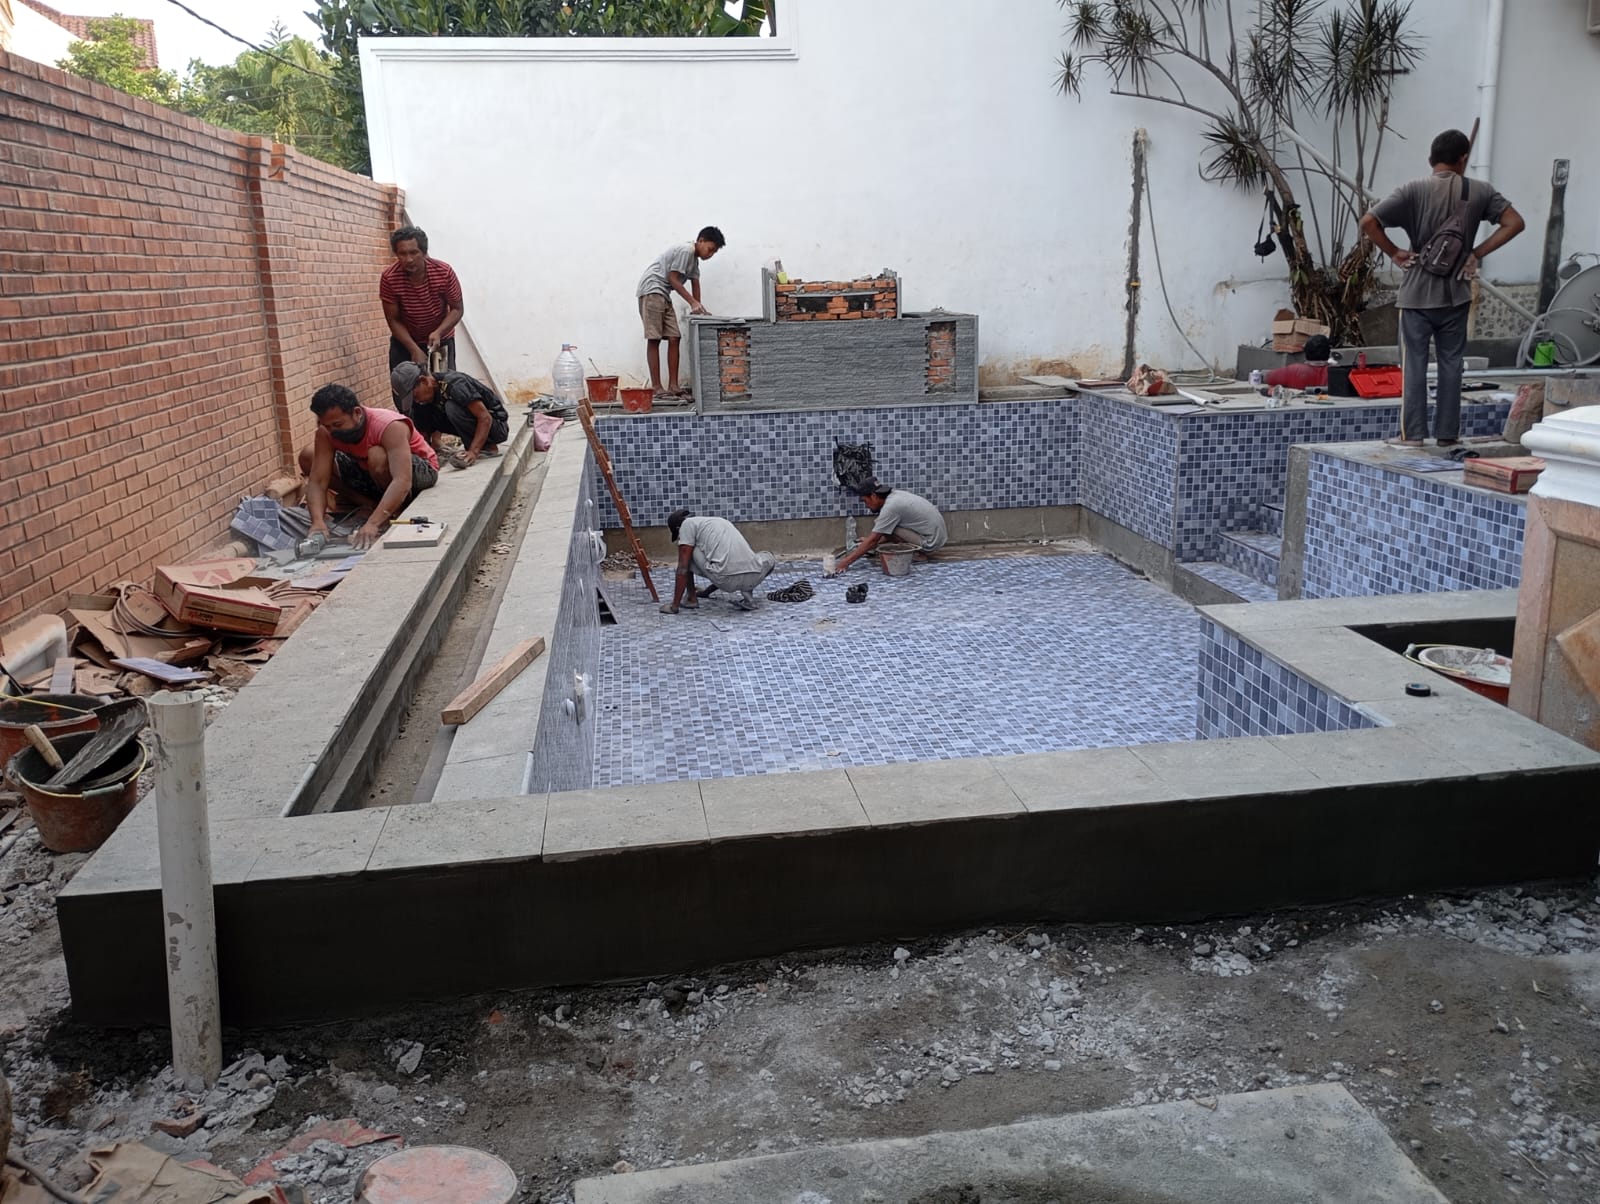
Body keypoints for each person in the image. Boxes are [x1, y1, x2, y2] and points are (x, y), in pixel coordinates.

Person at [1360, 129, 1525, 447]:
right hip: (1456, 295)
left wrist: (1394, 252)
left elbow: (1368, 222)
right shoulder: (1480, 191)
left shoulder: (1412, 189)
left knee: (1414, 365)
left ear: (1430, 159)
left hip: (1416, 296)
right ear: (1463, 159)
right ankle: (1448, 435)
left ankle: (1412, 436)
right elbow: (1515, 223)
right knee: (1452, 366)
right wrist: (1476, 254)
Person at [299, 385, 439, 550]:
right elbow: (318, 481)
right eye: (326, 426)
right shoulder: (326, 432)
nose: (332, 431)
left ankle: (396, 510)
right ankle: (368, 504)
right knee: (309, 455)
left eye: (337, 424)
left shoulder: (389, 425)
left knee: (376, 454)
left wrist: (373, 524)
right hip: (371, 470)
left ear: (357, 413)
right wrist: (317, 523)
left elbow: (402, 480)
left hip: (419, 471)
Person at [637, 226, 725, 398]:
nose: (710, 254)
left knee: (674, 337)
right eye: (710, 249)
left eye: (714, 252)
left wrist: (699, 309)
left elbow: (695, 283)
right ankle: (656, 387)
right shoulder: (686, 251)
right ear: (700, 241)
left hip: (663, 293)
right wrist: (692, 302)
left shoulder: (694, 261)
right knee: (654, 338)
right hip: (652, 290)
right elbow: (672, 278)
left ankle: (673, 386)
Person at [391, 362, 509, 468]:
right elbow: (423, 432)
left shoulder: (455, 384)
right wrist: (426, 458)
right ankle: (472, 447)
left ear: (424, 381)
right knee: (424, 409)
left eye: (415, 395)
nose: (416, 400)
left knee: (451, 407)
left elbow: (485, 417)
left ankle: (488, 447)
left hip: (496, 426)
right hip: (477, 425)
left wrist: (474, 451)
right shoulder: (423, 400)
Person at [380, 225, 464, 371]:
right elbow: (393, 319)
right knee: (406, 383)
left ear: (424, 252)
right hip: (405, 342)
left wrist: (439, 332)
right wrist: (413, 349)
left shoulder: (444, 273)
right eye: (402, 254)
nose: (409, 259)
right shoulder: (389, 278)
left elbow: (457, 309)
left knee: (441, 382)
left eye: (414, 252)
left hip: (439, 341)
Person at [659, 509, 775, 614]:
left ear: (678, 528)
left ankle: (691, 599)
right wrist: (707, 592)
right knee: (768, 556)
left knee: (686, 554)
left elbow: (683, 569)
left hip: (726, 579)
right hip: (754, 576)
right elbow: (729, 565)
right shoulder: (718, 521)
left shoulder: (686, 525)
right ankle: (748, 596)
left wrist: (674, 607)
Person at [829, 479, 947, 575]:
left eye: (865, 501)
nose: (866, 506)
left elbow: (874, 539)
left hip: (930, 542)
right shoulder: (894, 496)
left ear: (874, 496)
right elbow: (879, 536)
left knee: (884, 526)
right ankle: (917, 551)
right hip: (933, 535)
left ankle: (918, 555)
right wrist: (870, 541)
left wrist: (845, 562)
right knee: (885, 526)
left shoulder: (891, 507)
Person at [1264, 334, 1333, 390]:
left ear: (1305, 353)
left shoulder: (1294, 370)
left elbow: (1267, 377)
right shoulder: (1336, 373)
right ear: (1329, 353)